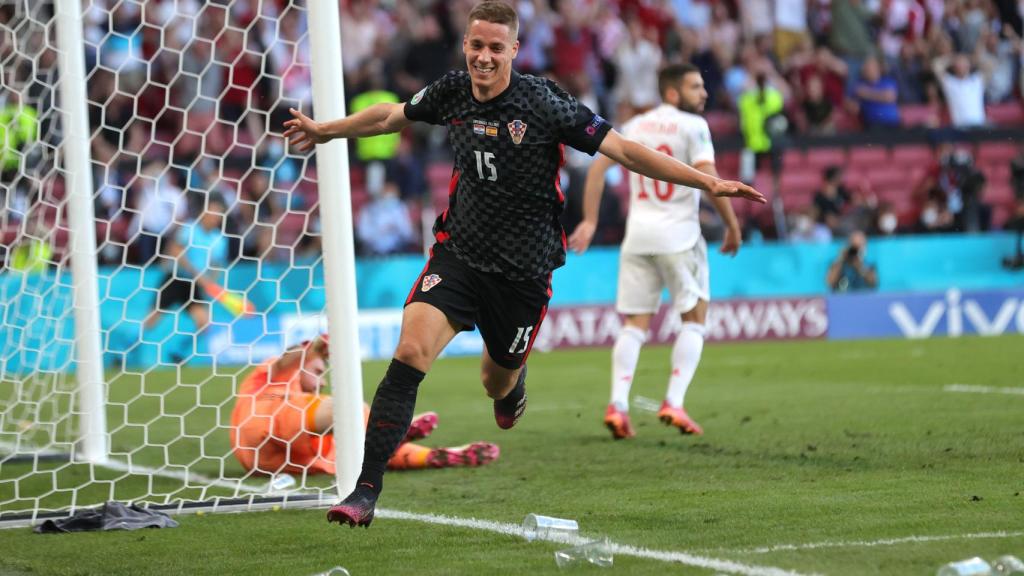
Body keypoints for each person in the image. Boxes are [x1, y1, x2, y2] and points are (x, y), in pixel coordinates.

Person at [283, 1, 764, 527]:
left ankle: (513, 384)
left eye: (496, 47)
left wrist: (707, 181)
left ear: (514, 49)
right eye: (476, 45)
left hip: (523, 274)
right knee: (410, 352)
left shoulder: (543, 102)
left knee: (496, 382)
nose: (484, 57)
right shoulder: (451, 91)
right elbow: (389, 116)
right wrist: (328, 130)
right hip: (459, 254)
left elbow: (625, 151)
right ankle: (365, 491)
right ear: (465, 44)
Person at [566, 64, 743, 440]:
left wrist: (590, 221)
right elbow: (711, 179)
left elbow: (596, 171)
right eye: (695, 87)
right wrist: (731, 224)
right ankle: (674, 401)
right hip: (679, 236)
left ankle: (617, 404)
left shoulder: (634, 126)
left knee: (634, 325)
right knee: (695, 318)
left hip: (638, 237)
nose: (704, 93)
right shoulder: (694, 126)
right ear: (673, 92)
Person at [230, 336, 499, 477]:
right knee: (345, 406)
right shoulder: (272, 377)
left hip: (270, 461)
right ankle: (394, 428)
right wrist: (315, 347)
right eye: (318, 370)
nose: (322, 381)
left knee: (371, 452)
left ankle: (438, 455)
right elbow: (288, 359)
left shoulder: (304, 407)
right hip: (267, 413)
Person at [144, 194, 229, 337]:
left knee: (204, 323)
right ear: (203, 211)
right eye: (212, 211)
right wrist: (198, 275)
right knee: (152, 318)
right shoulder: (189, 228)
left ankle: (183, 349)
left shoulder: (220, 240)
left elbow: (216, 265)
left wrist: (210, 283)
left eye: (219, 214)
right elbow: (175, 251)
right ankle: (129, 345)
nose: (215, 217)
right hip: (175, 278)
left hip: (194, 285)